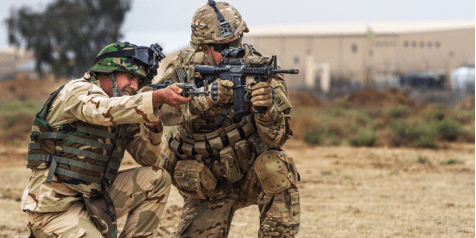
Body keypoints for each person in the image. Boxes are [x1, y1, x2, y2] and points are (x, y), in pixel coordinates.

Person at [157, 1, 300, 237]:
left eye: (236, 42)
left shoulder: (259, 68)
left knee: (277, 166)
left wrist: (266, 112)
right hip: (207, 182)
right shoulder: (184, 69)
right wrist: (203, 100)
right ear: (203, 46)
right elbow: (158, 112)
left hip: (250, 173)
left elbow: (278, 137)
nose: (231, 50)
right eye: (221, 47)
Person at [21, 42, 191, 238]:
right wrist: (155, 98)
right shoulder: (76, 91)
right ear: (107, 71)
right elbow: (100, 110)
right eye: (129, 77)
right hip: (54, 211)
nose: (134, 86)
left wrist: (153, 127)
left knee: (157, 178)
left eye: (138, 80)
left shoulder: (124, 105)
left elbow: (147, 159)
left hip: (94, 203)